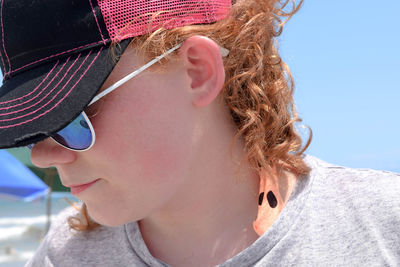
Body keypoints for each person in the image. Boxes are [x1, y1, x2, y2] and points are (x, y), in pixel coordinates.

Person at [0, 0, 398, 266]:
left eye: (72, 114)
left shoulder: (384, 226)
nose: (42, 155)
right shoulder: (63, 257)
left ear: (198, 71)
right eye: (35, 126)